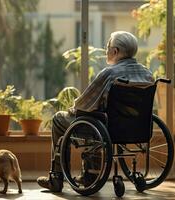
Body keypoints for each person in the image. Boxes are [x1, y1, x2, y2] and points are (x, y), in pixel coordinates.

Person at [37, 31, 154, 192]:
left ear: (115, 51)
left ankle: (56, 177)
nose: (106, 50)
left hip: (105, 127)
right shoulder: (147, 74)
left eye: (108, 47)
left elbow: (84, 103)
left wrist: (73, 109)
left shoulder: (110, 73)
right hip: (135, 128)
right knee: (95, 120)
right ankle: (90, 176)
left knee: (60, 119)